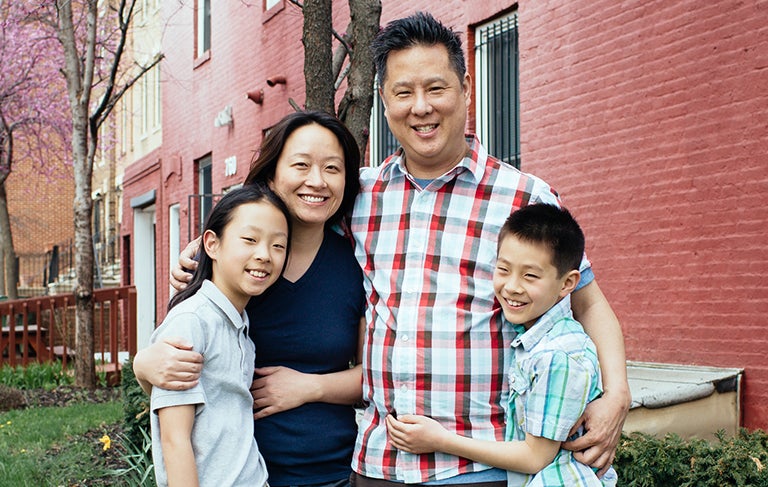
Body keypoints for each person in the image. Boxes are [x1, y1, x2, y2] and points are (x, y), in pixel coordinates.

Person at [348, 12, 630, 485]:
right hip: (380, 462)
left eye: (436, 89)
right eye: (403, 92)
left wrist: (617, 393)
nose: (421, 107)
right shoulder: (358, 197)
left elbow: (589, 301)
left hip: (486, 465)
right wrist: (203, 251)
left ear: (465, 87)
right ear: (384, 99)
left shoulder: (524, 196)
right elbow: (270, 230)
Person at [134, 111, 366, 487]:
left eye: (332, 168)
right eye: (301, 165)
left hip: (332, 473)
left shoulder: (355, 263)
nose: (317, 181)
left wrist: (310, 387)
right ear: (272, 173)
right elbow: (181, 361)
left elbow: (375, 376)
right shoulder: (235, 262)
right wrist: (143, 364)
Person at [385, 204, 618, 486]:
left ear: (568, 283)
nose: (512, 287)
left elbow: (535, 457)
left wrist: (439, 440)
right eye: (503, 269)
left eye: (530, 276)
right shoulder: (532, 337)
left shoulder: (558, 356)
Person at [149, 183, 290, 487]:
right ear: (212, 244)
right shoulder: (191, 322)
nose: (264, 255)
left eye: (278, 245)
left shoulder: (239, 323)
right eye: (250, 240)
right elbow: (175, 440)